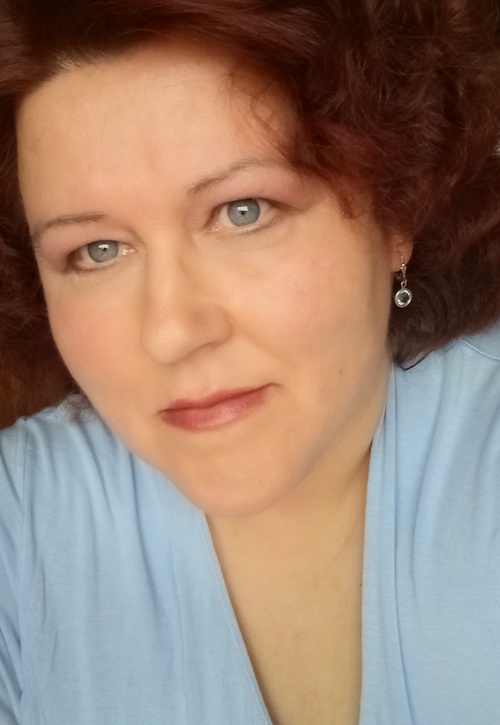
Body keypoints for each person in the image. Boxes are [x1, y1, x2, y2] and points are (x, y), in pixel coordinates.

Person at [0, 0, 499, 723]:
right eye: (96, 250)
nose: (172, 332)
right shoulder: (20, 528)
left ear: (395, 211)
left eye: (244, 210)